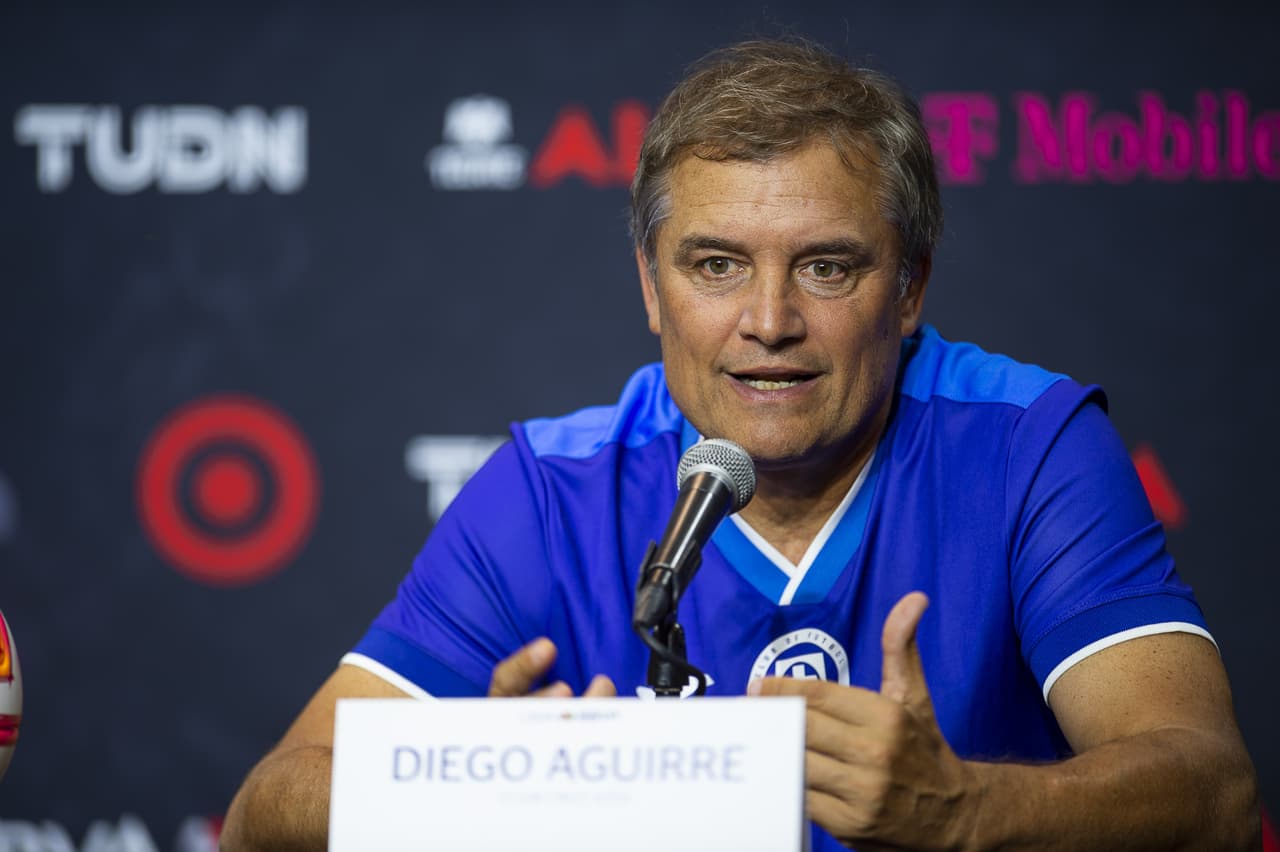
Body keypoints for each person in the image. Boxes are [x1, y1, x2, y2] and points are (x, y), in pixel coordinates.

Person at [222, 39, 1259, 851]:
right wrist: (473, 782)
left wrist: (965, 812)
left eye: (826, 267)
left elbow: (1209, 793)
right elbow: (268, 813)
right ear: (648, 286)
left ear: (909, 289)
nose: (767, 320)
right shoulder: (550, 489)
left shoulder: (1026, 447)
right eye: (715, 266)